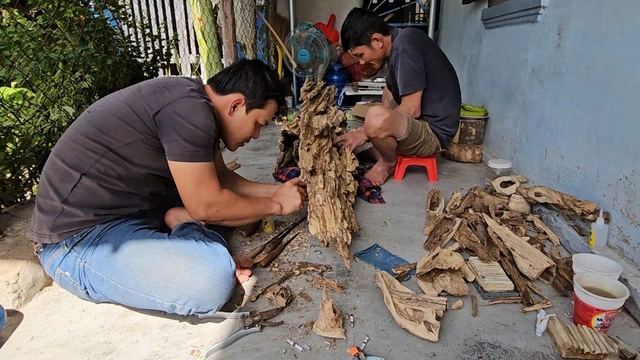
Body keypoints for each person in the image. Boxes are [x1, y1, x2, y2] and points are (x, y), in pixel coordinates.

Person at [27, 59, 306, 316]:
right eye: (258, 124)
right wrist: (277, 206)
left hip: (131, 209)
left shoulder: (192, 101)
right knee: (211, 281)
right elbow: (208, 205)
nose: (257, 135)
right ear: (235, 105)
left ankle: (184, 223)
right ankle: (186, 225)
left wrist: (276, 192)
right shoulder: (190, 112)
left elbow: (222, 178)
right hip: (77, 241)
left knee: (228, 208)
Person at [336, 8, 462, 185]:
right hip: (421, 126)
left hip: (433, 134)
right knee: (378, 113)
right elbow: (388, 92)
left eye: (361, 55)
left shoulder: (405, 45)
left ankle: (388, 161)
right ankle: (381, 149)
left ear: (377, 40)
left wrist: (366, 132)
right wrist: (373, 131)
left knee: (375, 117)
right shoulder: (399, 45)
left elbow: (411, 109)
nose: (362, 62)